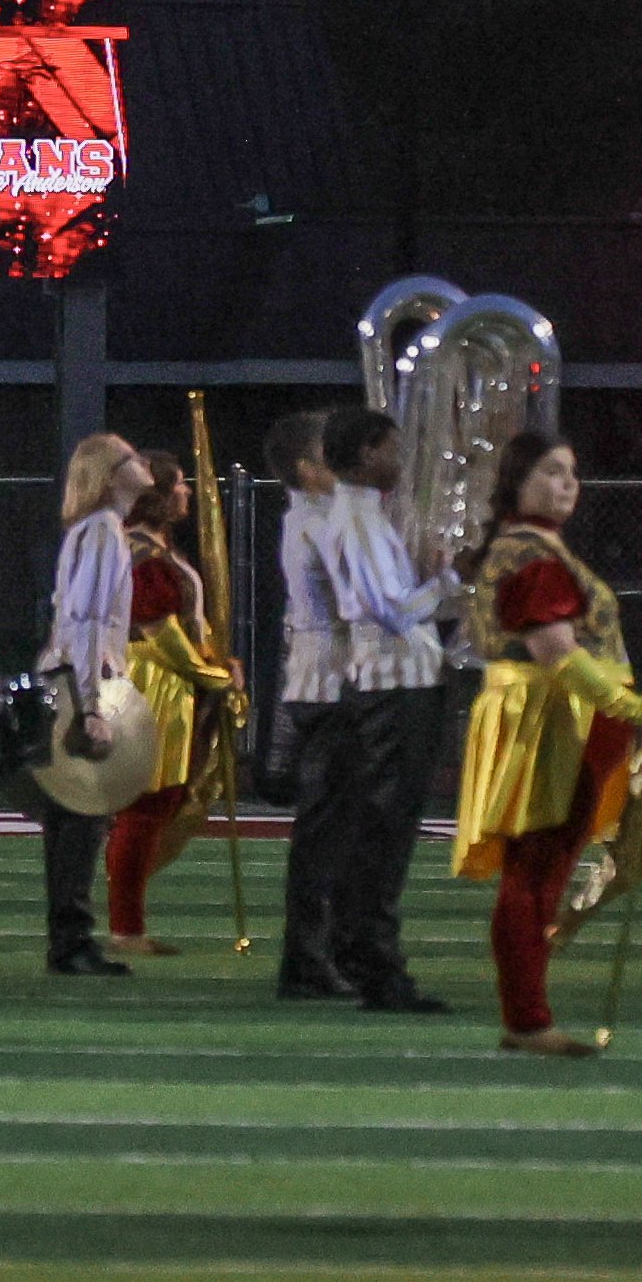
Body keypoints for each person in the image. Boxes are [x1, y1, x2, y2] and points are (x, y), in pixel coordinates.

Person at [451, 431, 642, 1057]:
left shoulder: (534, 547)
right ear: (517, 482)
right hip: (553, 719)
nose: (567, 484)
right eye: (550, 472)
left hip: (555, 715)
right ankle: (527, 1018)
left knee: (543, 870)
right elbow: (559, 654)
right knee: (536, 871)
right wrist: (638, 707)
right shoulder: (531, 554)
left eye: (571, 472)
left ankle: (529, 1012)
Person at [308, 405, 458, 1014]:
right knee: (384, 831)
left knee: (382, 828)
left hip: (397, 682)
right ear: (368, 452)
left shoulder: (363, 515)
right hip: (395, 685)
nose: (401, 459)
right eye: (392, 448)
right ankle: (373, 957)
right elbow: (391, 610)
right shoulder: (359, 519)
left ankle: (362, 948)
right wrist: (451, 582)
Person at [103, 452, 238, 957]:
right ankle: (125, 927)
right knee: (145, 804)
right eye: (179, 486)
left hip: (168, 680)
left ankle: (128, 921)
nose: (187, 494)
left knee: (158, 803)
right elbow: (160, 633)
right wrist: (212, 674)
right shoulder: (142, 555)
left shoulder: (152, 550)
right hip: (154, 682)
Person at [37, 433, 146, 978]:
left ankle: (69, 937)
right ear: (108, 474)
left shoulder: (98, 530)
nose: (142, 463)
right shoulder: (103, 530)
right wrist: (89, 707)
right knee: (84, 815)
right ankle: (71, 940)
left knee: (72, 817)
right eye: (129, 458)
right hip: (82, 682)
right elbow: (83, 623)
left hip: (70, 677)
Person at [264, 410, 352, 998]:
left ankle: (320, 954)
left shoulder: (322, 519)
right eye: (331, 450)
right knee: (327, 832)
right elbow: (360, 605)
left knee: (335, 830)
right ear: (306, 468)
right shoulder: (316, 525)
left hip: (328, 679)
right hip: (330, 684)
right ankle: (308, 960)